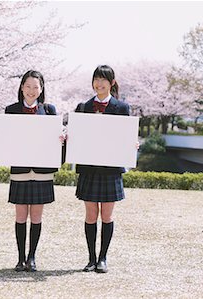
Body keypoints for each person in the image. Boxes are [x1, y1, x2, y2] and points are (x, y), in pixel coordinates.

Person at [3, 70, 63, 272]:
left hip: (42, 170)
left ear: (42, 89)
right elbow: (6, 138)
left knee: (36, 216)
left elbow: (54, 139)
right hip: (20, 169)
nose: (31, 91)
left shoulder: (49, 110)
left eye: (35, 87)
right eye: (27, 86)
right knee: (20, 215)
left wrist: (60, 139)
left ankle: (32, 257)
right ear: (21, 87)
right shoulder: (11, 110)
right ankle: (20, 258)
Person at [75, 65, 130, 273]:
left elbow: (125, 137)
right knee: (90, 214)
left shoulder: (122, 108)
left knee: (106, 215)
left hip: (110, 168)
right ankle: (90, 258)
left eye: (103, 80)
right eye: (96, 80)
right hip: (89, 167)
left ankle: (103, 258)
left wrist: (130, 144)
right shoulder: (83, 107)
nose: (99, 84)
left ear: (111, 83)